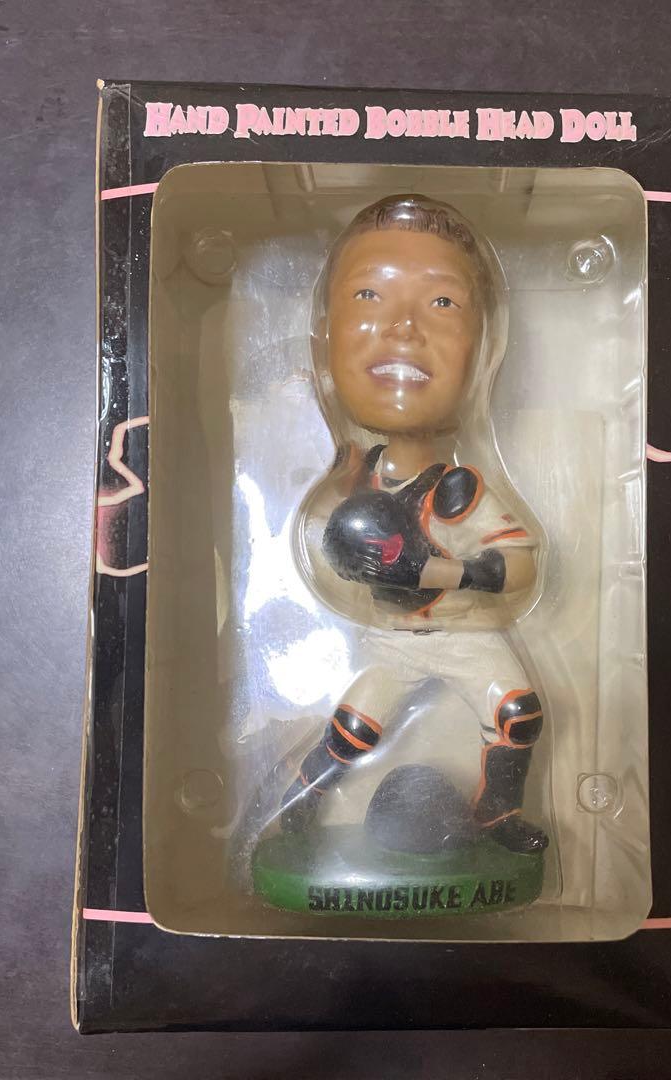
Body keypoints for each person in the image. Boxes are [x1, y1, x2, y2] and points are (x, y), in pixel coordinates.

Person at [281, 194, 548, 854]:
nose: (403, 326)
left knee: (516, 713)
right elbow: (333, 554)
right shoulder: (353, 482)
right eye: (369, 294)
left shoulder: (458, 489)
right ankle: (301, 796)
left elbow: (518, 567)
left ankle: (496, 812)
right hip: (393, 638)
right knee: (355, 726)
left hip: (462, 635)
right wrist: (363, 561)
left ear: (482, 349)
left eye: (442, 301)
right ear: (324, 336)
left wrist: (447, 572)